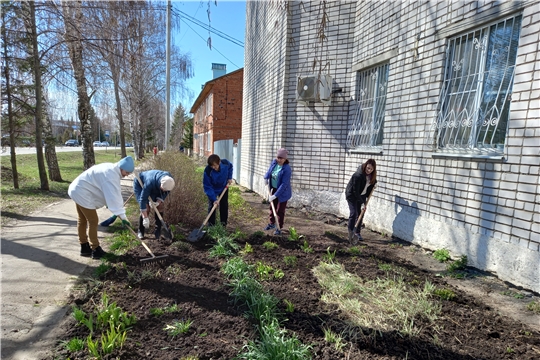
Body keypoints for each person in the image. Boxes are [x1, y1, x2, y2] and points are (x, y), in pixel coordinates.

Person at [68, 156, 135, 259]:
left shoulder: (111, 168)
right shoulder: (111, 176)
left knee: (82, 220)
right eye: (126, 173)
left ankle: (84, 247)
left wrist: (111, 203)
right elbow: (114, 197)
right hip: (82, 192)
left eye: (129, 174)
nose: (127, 175)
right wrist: (123, 217)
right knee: (93, 221)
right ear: (121, 168)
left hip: (77, 188)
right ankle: (95, 249)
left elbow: (107, 191)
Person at [134, 170, 175, 239]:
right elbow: (143, 200)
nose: (164, 191)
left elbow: (165, 192)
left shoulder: (170, 181)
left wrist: (158, 202)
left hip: (156, 188)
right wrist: (145, 218)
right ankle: (141, 231)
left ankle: (157, 231)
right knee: (146, 208)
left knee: (160, 206)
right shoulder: (150, 182)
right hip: (141, 185)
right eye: (163, 189)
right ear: (160, 184)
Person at [345, 159, 377, 243]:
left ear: (373, 169)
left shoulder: (372, 177)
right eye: (368, 168)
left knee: (361, 214)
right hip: (352, 195)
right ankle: (350, 233)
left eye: (371, 169)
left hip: (362, 195)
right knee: (354, 213)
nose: (369, 170)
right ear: (365, 166)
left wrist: (373, 184)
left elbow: (368, 191)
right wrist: (362, 203)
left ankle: (357, 232)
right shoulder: (358, 175)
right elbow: (355, 191)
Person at [263, 148, 292, 236]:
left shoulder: (287, 169)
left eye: (281, 158)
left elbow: (284, 184)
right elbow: (270, 171)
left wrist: (275, 195)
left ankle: (279, 227)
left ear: (285, 159)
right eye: (278, 157)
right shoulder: (274, 162)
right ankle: (272, 224)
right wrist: (266, 177)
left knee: (280, 210)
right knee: (272, 208)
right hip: (274, 189)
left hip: (283, 192)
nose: (279, 160)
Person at [203, 154, 233, 227]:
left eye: (215, 165)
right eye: (212, 166)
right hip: (212, 189)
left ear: (219, 162)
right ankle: (211, 226)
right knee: (212, 206)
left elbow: (230, 167)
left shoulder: (225, 163)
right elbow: (207, 186)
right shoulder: (208, 171)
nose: (213, 168)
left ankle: (223, 224)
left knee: (224, 205)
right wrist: (214, 199)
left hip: (223, 187)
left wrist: (229, 177)